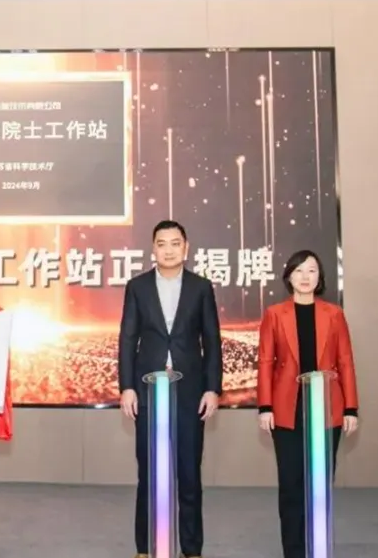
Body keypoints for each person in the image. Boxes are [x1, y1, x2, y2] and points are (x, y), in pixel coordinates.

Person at [118, 220, 222, 558]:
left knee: (189, 475)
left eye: (175, 243)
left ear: (185, 248)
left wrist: (212, 389)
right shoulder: (137, 287)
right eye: (161, 244)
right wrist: (127, 387)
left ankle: (191, 549)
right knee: (149, 474)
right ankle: (145, 548)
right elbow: (127, 339)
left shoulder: (201, 287)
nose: (168, 250)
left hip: (190, 393)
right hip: (148, 394)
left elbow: (212, 341)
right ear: (153, 249)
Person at [256, 249, 359, 558]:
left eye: (311, 270)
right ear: (289, 277)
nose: (305, 277)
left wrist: (351, 408)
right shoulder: (275, 314)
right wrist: (265, 407)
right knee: (291, 484)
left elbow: (346, 361)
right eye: (299, 270)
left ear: (320, 277)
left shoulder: (334, 314)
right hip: (288, 409)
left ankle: (318, 547)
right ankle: (294, 551)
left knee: (321, 483)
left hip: (327, 408)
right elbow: (265, 362)